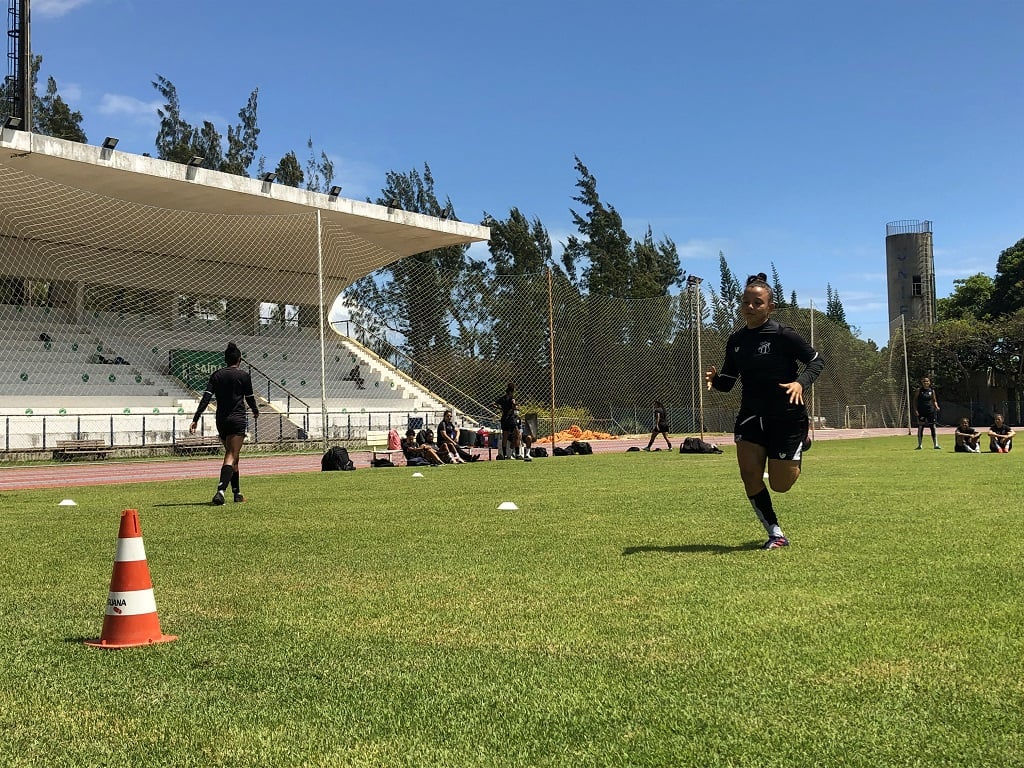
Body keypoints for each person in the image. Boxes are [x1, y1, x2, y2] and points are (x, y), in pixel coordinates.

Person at [704, 273, 824, 550]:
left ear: (770, 307)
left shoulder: (784, 335)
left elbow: (816, 361)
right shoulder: (735, 341)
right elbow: (729, 381)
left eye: (757, 302)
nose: (750, 306)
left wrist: (800, 383)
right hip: (751, 414)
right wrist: (716, 380)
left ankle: (801, 444)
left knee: (781, 484)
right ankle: (776, 533)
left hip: (786, 415)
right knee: (749, 475)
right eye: (745, 302)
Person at [190, 342, 260, 505]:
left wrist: (196, 418)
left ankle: (237, 493)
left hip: (221, 420)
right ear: (239, 360)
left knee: (234, 455)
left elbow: (206, 398)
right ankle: (220, 491)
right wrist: (255, 410)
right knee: (230, 454)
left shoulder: (216, 375)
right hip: (237, 419)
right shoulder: (243, 376)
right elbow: (249, 398)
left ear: (225, 360)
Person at [493, 382, 519, 460]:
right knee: (517, 433)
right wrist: (515, 407)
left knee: (505, 436)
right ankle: (517, 454)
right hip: (510, 418)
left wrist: (501, 409)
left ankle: (504, 455)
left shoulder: (503, 398)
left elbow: (493, 404)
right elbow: (514, 407)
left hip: (504, 418)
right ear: (512, 391)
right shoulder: (512, 399)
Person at [914, 376, 941, 450]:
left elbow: (934, 400)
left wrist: (936, 406)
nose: (926, 383)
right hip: (921, 412)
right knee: (921, 427)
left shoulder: (932, 391)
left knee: (933, 427)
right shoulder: (919, 390)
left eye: (927, 381)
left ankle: (936, 444)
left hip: (930, 411)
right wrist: (916, 410)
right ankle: (920, 445)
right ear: (922, 383)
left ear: (929, 382)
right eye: (924, 381)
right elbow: (915, 401)